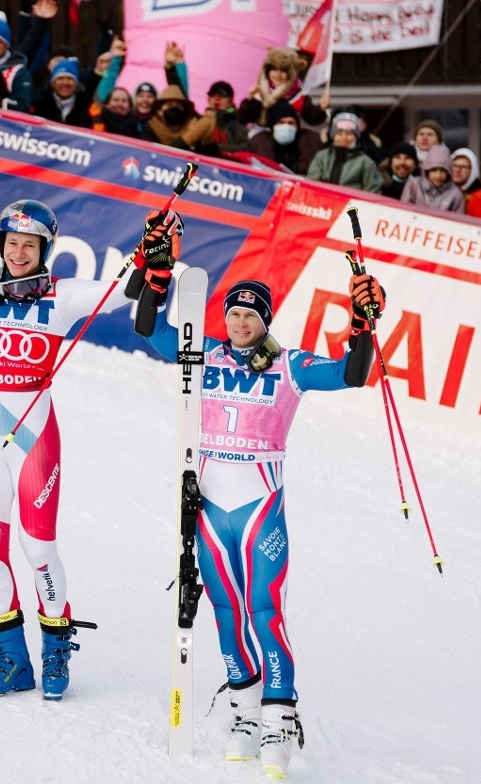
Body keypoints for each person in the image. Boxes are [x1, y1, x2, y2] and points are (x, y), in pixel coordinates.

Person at [138, 212, 383, 777]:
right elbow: (149, 330)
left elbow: (352, 373)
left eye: (249, 314)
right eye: (233, 313)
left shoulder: (290, 365)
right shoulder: (206, 354)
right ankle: (246, 710)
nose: (239, 322)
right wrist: (156, 275)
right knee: (224, 608)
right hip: (209, 511)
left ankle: (279, 716)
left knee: (265, 610)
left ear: (265, 319)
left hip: (259, 510)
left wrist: (363, 323)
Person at [0, 140, 155, 701]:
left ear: (45, 249)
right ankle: (9, 657)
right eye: (12, 243)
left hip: (34, 437)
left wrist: (150, 256)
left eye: (30, 245)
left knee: (38, 548)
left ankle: (55, 653)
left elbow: (122, 293)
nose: (19, 253)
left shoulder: (63, 295)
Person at [307, 111, 383, 193]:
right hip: (323, 202)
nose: (344, 138)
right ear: (333, 136)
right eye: (339, 134)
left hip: (354, 205)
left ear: (356, 136)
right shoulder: (322, 157)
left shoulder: (366, 163)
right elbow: (312, 183)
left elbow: (373, 192)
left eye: (349, 134)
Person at [246, 100, 321, 175]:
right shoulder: (260, 142)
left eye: (291, 123)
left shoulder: (308, 140)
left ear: (297, 127)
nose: (286, 126)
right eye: (281, 123)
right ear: (273, 126)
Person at [401, 144, 465, 213]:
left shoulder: (455, 194)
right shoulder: (414, 185)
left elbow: (458, 220)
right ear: (427, 171)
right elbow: (403, 211)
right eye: (434, 170)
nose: (438, 175)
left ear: (449, 172)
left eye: (443, 171)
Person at [31, 57, 91, 127]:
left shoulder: (88, 107)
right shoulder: (39, 106)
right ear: (53, 83)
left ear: (76, 83)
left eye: (70, 78)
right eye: (60, 78)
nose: (65, 83)